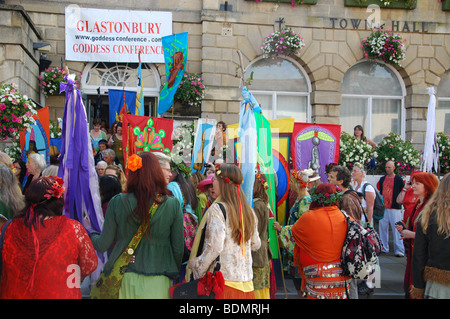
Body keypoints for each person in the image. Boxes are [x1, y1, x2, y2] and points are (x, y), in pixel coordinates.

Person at [90, 152, 184, 298]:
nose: (170, 174)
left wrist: (91, 233)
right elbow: (178, 248)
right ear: (157, 172)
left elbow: (103, 244)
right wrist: (171, 269)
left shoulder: (117, 201)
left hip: (124, 277)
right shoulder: (173, 204)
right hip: (159, 279)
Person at [0, 176, 98, 298]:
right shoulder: (73, 229)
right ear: (58, 200)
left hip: (17, 292)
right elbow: (89, 264)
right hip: (60, 292)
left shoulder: (11, 228)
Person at [188, 163, 261, 299]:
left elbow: (215, 246)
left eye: (214, 180)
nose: (212, 183)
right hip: (247, 286)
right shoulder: (248, 211)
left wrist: (197, 264)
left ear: (222, 182)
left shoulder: (218, 209)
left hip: (224, 285)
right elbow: (256, 244)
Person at [291, 183, 351, 299]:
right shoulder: (346, 218)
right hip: (342, 277)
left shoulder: (307, 217)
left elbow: (294, 232)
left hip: (315, 275)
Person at [395, 172, 439, 298]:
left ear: (428, 186)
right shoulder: (419, 204)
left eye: (417, 184)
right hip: (415, 253)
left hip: (424, 256)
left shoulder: (431, 207)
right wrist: (405, 230)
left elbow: (433, 235)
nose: (413, 186)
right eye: (413, 183)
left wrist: (412, 234)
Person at [273, 169, 312, 297]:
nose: (289, 183)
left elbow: (303, 227)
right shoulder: (299, 199)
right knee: (297, 283)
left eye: (292, 181)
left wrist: (282, 229)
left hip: (300, 247)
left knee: (301, 283)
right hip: (296, 246)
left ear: (298, 184)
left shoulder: (305, 201)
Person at [410, 173, 449, 299]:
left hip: (438, 286)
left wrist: (419, 286)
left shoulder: (428, 215)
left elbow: (419, 256)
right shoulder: (428, 215)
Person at [328, 164, 363, 299]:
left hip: (350, 247)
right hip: (347, 246)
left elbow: (353, 226)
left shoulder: (347, 198)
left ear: (341, 181)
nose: (329, 179)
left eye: (332, 177)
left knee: (350, 284)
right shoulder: (345, 196)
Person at [378, 160, 405, 257]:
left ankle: (399, 250)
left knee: (397, 228)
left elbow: (402, 190)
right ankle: (384, 248)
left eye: (389, 167)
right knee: (382, 228)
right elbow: (380, 190)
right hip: (384, 207)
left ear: (394, 168)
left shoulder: (398, 179)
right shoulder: (382, 179)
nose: (387, 169)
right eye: (386, 167)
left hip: (395, 207)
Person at [252, 171, 271, 299]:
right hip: (262, 252)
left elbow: (255, 232)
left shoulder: (257, 205)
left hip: (257, 253)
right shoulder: (262, 203)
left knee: (257, 290)